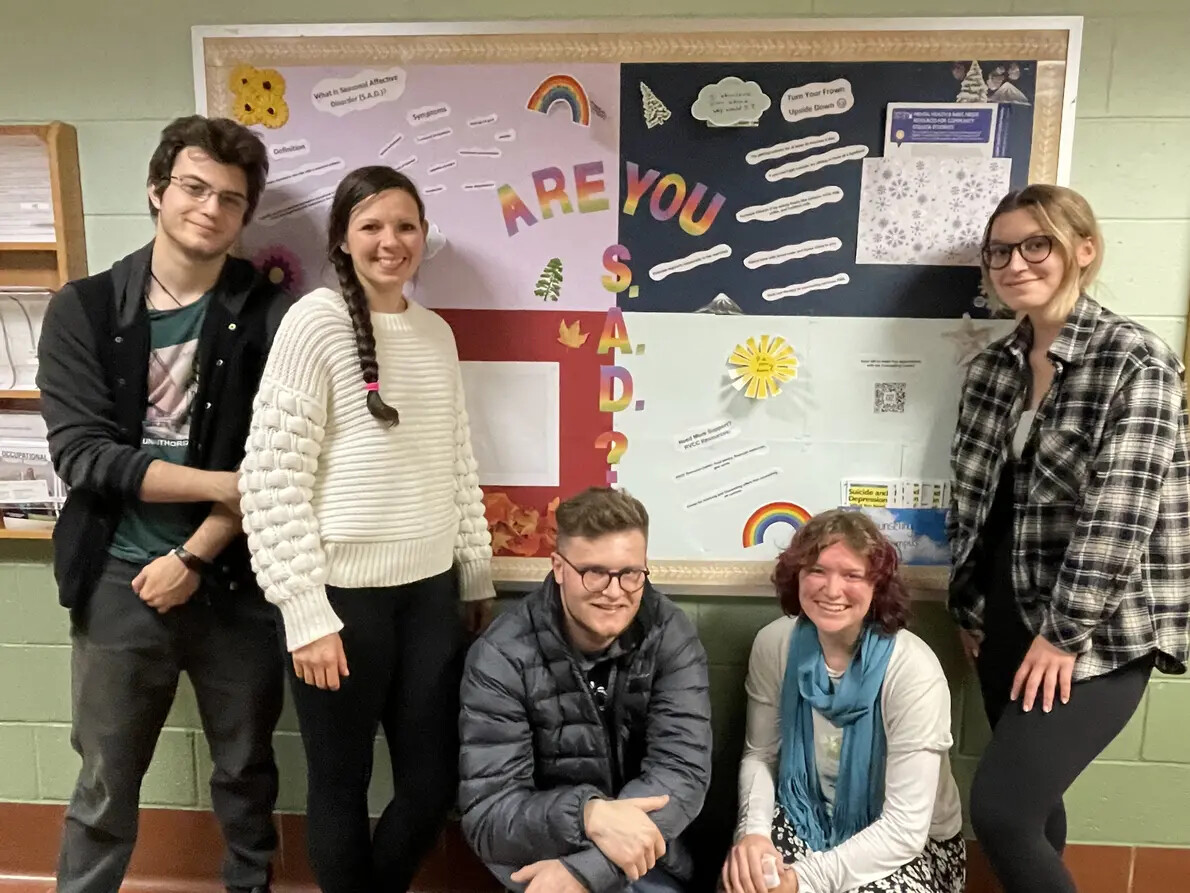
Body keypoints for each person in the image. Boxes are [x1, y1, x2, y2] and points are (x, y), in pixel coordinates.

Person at [37, 115, 291, 893]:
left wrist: (196, 551)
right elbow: (85, 457)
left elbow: (284, 460)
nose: (209, 209)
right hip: (115, 578)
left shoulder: (274, 314)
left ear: (245, 216)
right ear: (156, 190)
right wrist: (224, 484)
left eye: (230, 199)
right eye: (193, 188)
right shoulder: (82, 308)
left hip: (233, 578)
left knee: (248, 770)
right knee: (105, 781)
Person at [238, 165, 495, 893]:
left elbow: (456, 458)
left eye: (406, 226)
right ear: (343, 240)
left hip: (428, 596)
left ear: (423, 237)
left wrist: (473, 572)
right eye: (372, 226)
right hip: (340, 602)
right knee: (339, 782)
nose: (391, 241)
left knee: (430, 779)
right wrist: (304, 611)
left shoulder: (436, 334)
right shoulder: (313, 322)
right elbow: (272, 478)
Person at [947, 183, 1190, 893]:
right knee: (1036, 807)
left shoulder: (1135, 361)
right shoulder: (993, 368)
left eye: (1037, 244)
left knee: (1001, 811)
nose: (1016, 262)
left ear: (1083, 250)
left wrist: (1063, 633)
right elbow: (975, 501)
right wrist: (971, 608)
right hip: (1003, 619)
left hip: (1095, 633)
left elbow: (1120, 513)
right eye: (1000, 250)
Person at [459, 486, 712, 893]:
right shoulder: (502, 654)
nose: (615, 592)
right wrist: (588, 815)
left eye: (630, 574)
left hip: (646, 849)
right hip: (541, 852)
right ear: (558, 567)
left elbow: (681, 773)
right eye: (594, 572)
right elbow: (489, 814)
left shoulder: (670, 633)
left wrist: (588, 870)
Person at [724, 509, 965, 893]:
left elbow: (904, 830)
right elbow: (761, 756)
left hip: (906, 841)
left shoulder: (912, 668)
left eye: (852, 575)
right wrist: (752, 835)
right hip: (804, 813)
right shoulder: (775, 644)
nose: (832, 590)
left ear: (877, 587)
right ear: (797, 577)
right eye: (817, 570)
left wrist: (804, 881)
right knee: (747, 884)